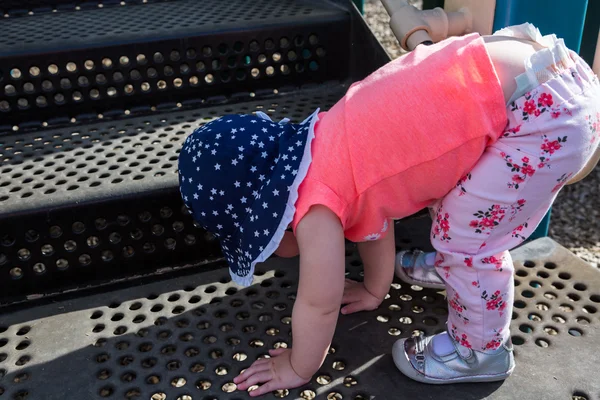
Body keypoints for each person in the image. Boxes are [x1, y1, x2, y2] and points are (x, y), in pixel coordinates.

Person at [178, 23, 600, 395]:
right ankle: (455, 269)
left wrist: (296, 365)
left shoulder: (313, 208)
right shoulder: (328, 146)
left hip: (541, 114)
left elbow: (318, 303)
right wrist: (374, 289)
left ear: (269, 217)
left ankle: (481, 350)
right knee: (452, 189)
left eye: (259, 244)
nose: (268, 255)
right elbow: (377, 221)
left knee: (469, 239)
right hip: (544, 71)